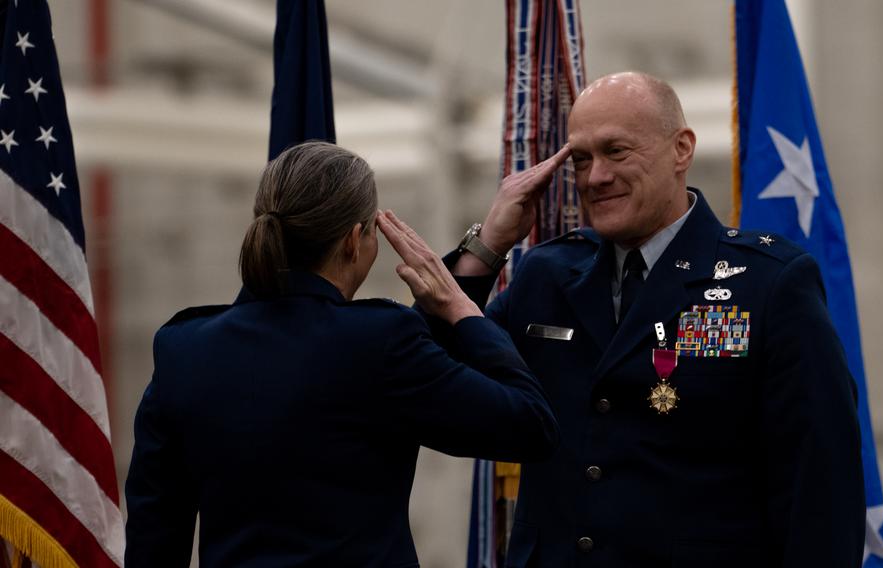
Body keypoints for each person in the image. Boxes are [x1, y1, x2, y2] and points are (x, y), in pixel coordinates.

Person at [444, 72, 864, 566]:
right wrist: (485, 249)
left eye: (616, 152)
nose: (595, 177)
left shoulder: (769, 284)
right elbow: (430, 388)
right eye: (581, 160)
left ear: (681, 149)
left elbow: (821, 488)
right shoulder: (547, 276)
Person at [124, 141, 559, 567]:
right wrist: (459, 308)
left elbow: (155, 539)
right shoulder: (380, 344)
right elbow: (529, 423)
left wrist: (482, 253)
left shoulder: (183, 348)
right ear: (355, 240)